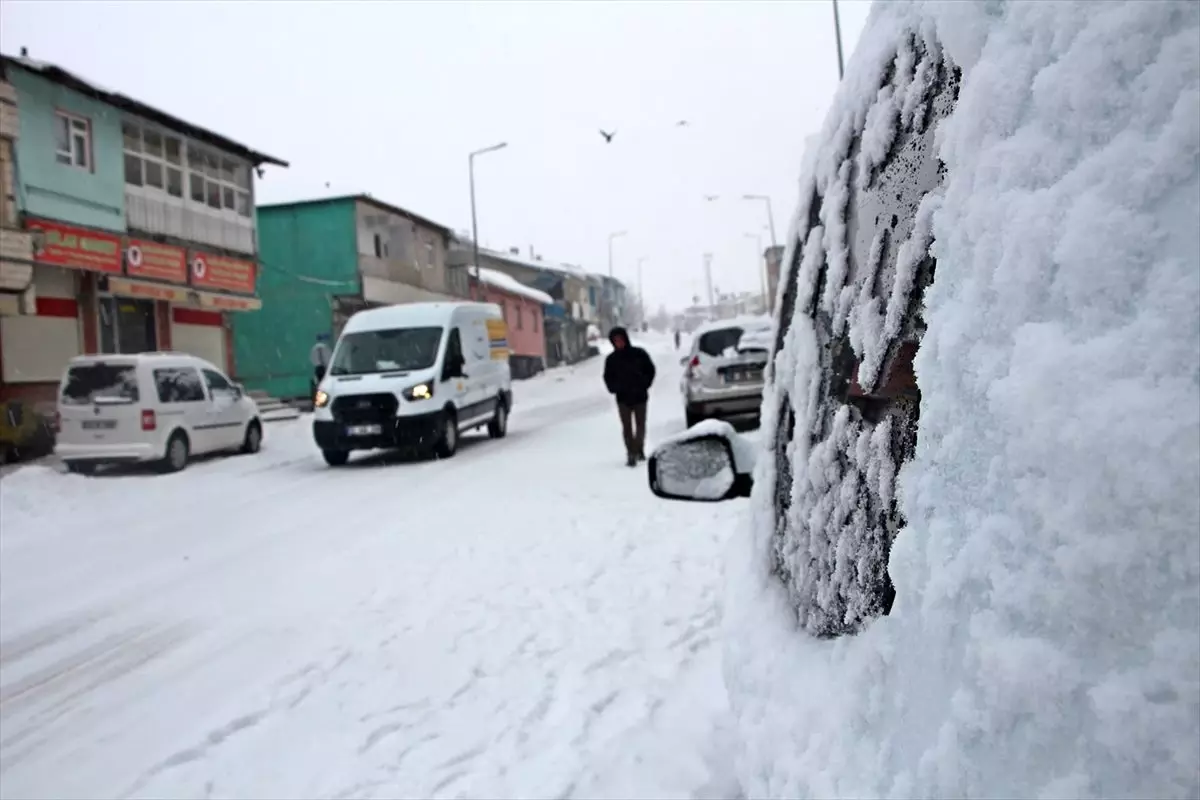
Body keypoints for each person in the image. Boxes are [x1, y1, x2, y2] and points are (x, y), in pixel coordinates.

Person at [602, 326, 656, 467]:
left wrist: (645, 383)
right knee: (627, 428)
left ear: (626, 339)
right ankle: (630, 453)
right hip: (623, 398)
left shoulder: (639, 354)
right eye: (615, 340)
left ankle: (639, 449)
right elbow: (608, 377)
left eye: (621, 339)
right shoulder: (611, 360)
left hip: (640, 396)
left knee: (640, 426)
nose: (619, 342)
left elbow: (650, 369)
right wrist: (614, 388)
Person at [309, 333, 332, 399]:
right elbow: (329, 357)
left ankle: (319, 396)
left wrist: (317, 364)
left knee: (319, 384)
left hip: (318, 368)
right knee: (324, 383)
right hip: (323, 368)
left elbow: (312, 358)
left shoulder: (315, 348)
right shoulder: (325, 347)